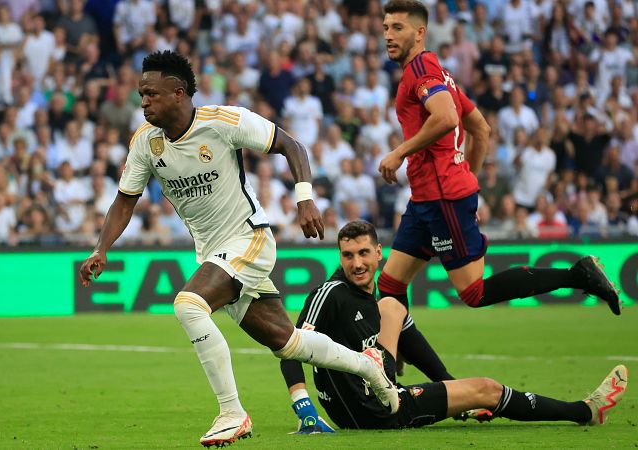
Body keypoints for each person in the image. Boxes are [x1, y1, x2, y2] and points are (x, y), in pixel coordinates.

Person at [78, 51, 399, 448]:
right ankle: (367, 365)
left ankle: (232, 412)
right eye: (140, 94)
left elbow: (292, 145)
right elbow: (125, 200)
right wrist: (101, 248)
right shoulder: (145, 143)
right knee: (288, 342)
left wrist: (305, 199)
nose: (143, 102)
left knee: (188, 305)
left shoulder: (223, 122)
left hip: (249, 239)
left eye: (150, 94)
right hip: (213, 253)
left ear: (179, 94)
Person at [374, 0, 621, 384]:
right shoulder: (441, 73)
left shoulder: (422, 69)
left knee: (472, 292)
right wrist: (466, 178)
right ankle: (411, 367)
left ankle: (578, 274)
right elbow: (481, 129)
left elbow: (448, 118)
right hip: (428, 199)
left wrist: (400, 153)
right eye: (386, 27)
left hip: (443, 200)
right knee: (389, 286)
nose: (389, 34)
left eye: (398, 28)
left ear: (420, 33)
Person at [280, 220, 628, 431]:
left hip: (384, 400)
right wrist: (304, 407)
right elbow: (290, 347)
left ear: (379, 253)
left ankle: (582, 411)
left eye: (363, 254)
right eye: (347, 255)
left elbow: (415, 348)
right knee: (486, 387)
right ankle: (585, 411)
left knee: (397, 311)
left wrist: (451, 391)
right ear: (339, 256)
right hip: (370, 410)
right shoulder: (332, 293)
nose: (356, 263)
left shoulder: (375, 297)